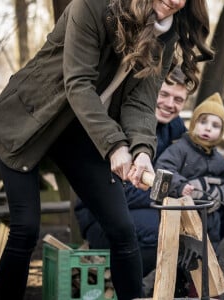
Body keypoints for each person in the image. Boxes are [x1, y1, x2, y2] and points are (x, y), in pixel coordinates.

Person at [0, 1, 214, 299]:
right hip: (29, 119)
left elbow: (141, 101)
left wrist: (142, 149)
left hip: (84, 129)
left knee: (122, 230)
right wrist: (115, 144)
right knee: (25, 229)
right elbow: (77, 83)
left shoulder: (167, 34)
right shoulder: (91, 5)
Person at [75, 64, 189, 279]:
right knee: (166, 232)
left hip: (148, 208)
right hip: (102, 219)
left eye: (178, 99)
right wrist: (171, 193)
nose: (169, 104)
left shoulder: (175, 127)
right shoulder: (123, 124)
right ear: (150, 92)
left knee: (203, 221)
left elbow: (191, 164)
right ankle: (123, 284)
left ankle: (170, 285)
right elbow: (120, 192)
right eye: (163, 94)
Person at [155, 92, 224, 254]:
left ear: (222, 132)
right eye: (203, 122)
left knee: (211, 247)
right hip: (184, 213)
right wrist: (180, 185)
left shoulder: (218, 158)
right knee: (183, 249)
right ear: (194, 124)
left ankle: (205, 277)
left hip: (210, 215)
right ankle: (181, 278)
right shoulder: (180, 148)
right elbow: (164, 166)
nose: (208, 128)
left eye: (215, 126)